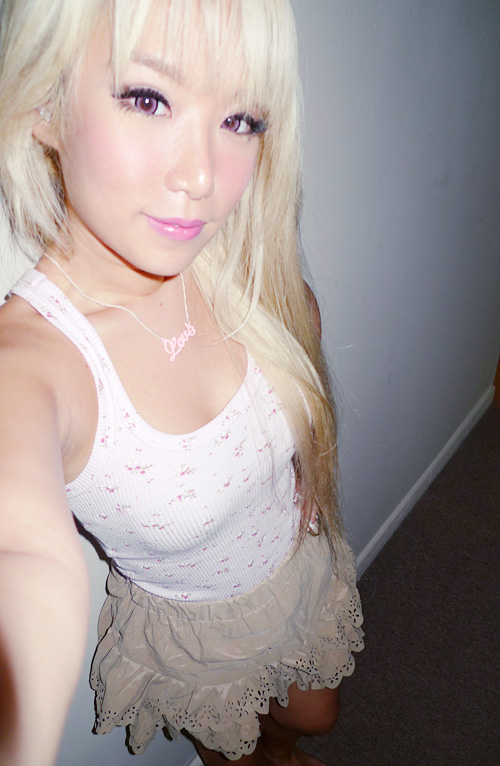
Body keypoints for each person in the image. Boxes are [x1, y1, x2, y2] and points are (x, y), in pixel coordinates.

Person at [0, 1, 364, 764]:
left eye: (240, 119)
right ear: (42, 104)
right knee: (240, 752)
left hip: (296, 566)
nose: (202, 177)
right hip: (200, 637)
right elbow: (24, 557)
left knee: (315, 717)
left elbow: (300, 325)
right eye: (148, 99)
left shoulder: (231, 250)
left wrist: (306, 459)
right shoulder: (32, 364)